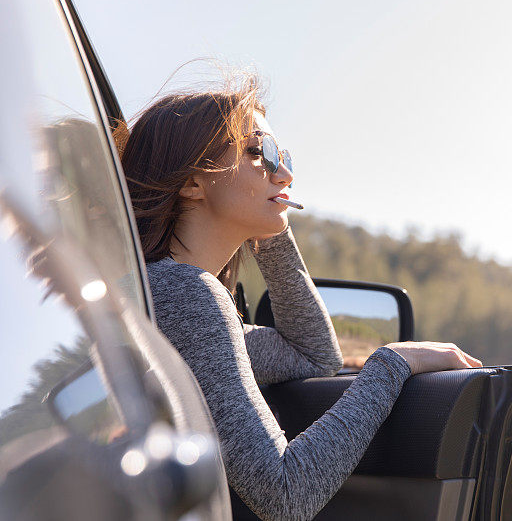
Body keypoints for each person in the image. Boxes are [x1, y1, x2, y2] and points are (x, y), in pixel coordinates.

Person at [118, 75, 482, 521]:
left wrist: (269, 223)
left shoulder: (156, 294)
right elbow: (286, 494)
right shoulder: (186, 296)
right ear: (194, 181)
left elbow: (313, 356)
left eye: (283, 157)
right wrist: (394, 363)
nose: (285, 172)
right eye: (258, 153)